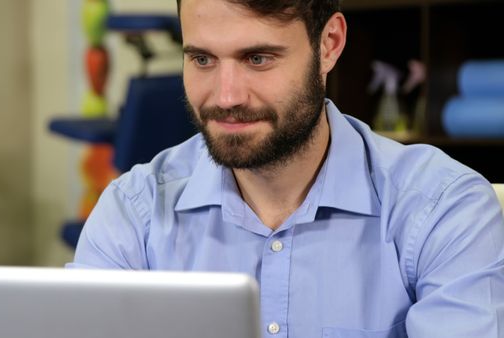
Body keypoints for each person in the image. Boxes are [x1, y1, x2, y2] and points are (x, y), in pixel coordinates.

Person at [67, 0, 504, 336]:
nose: (227, 96)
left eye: (258, 58)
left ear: (329, 44)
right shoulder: (133, 213)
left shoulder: (444, 208)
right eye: (202, 59)